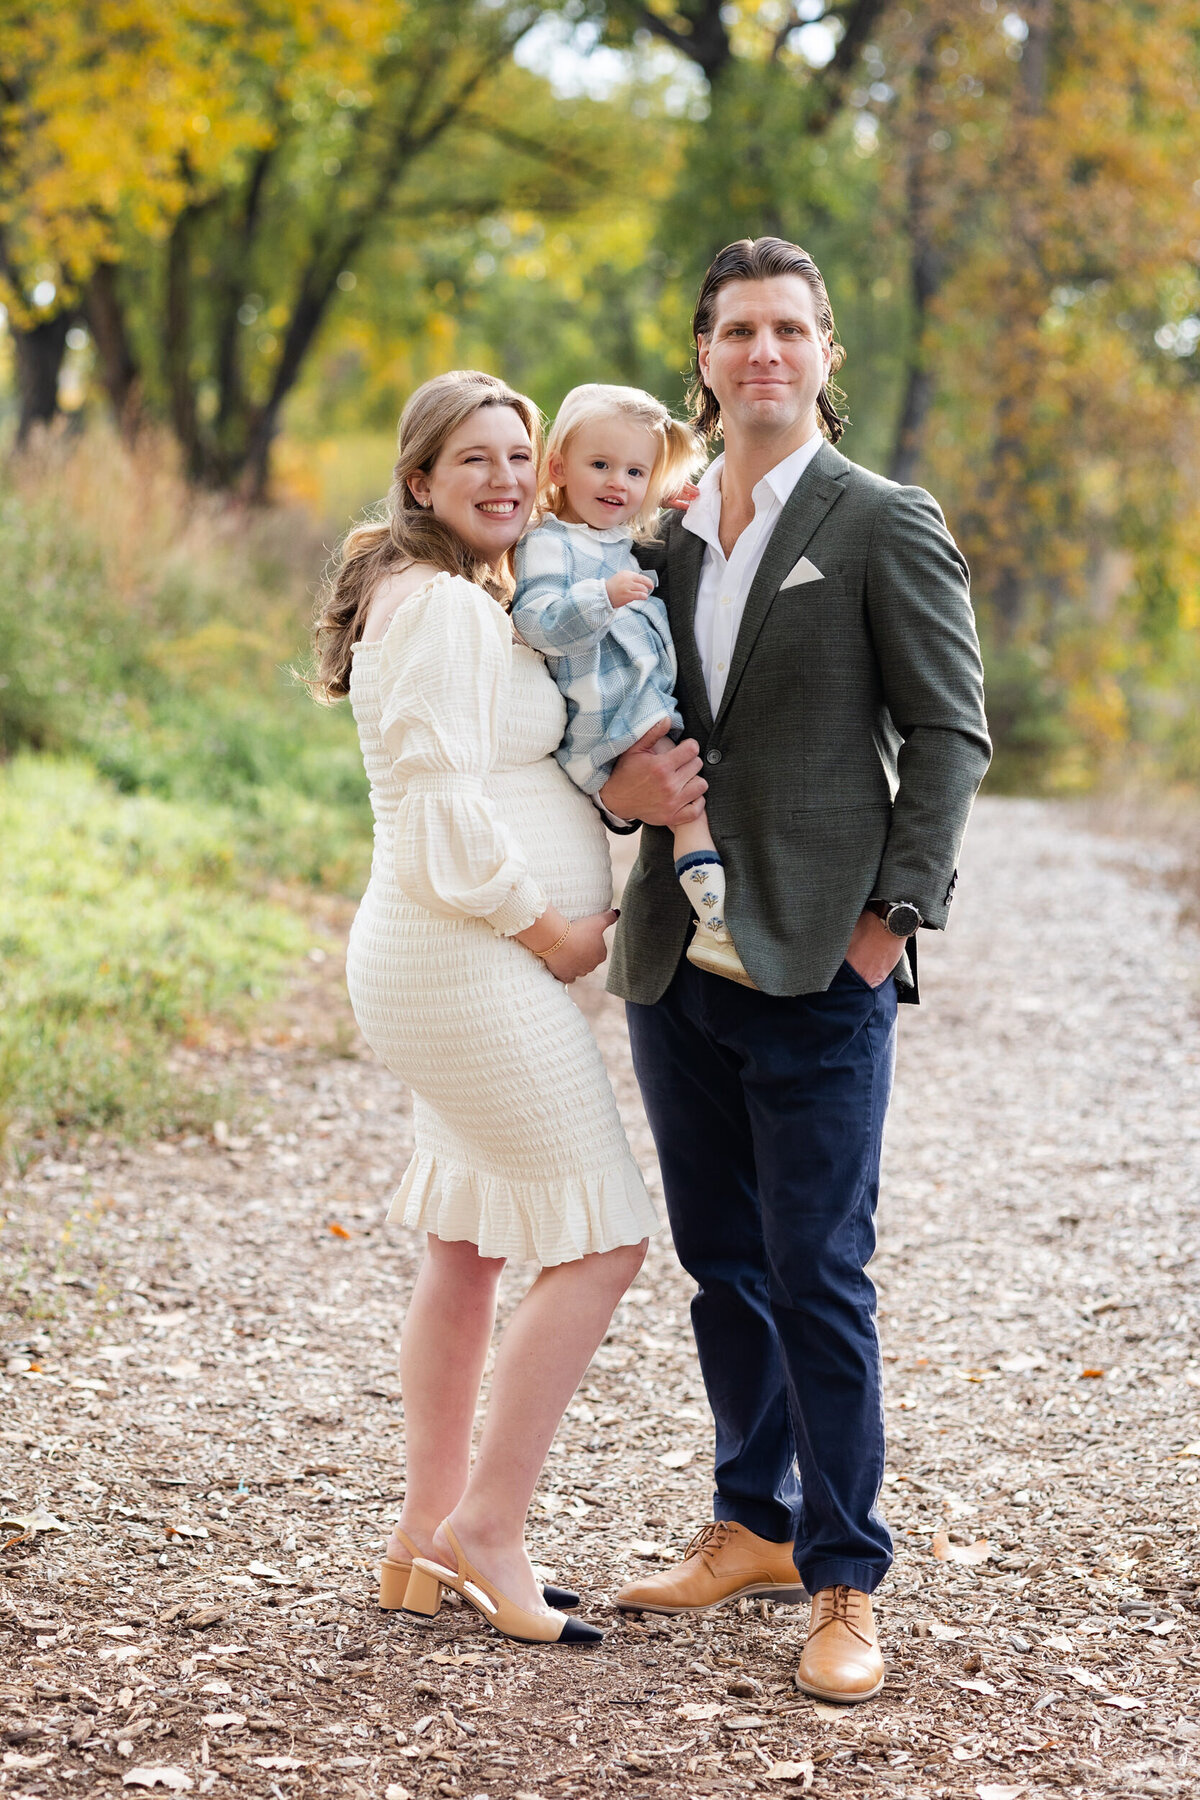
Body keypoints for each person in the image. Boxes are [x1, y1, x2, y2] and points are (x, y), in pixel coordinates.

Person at [600, 238, 992, 1702]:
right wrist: (616, 797)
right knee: (725, 1269)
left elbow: (952, 736)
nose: (763, 351)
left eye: (788, 329)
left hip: (824, 966)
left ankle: (845, 1581)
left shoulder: (883, 520)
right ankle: (751, 1523)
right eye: (736, 330)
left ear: (827, 351)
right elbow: (618, 713)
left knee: (821, 1271)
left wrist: (890, 921)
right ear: (701, 356)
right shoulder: (671, 531)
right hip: (679, 960)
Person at [311, 369, 656, 1647]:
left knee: (469, 1245)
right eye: (478, 461)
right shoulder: (448, 610)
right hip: (465, 955)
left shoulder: (456, 596)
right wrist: (553, 929)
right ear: (421, 483)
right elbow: (443, 808)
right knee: (605, 1237)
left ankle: (421, 1540)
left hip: (439, 957)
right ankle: (486, 1526)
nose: (510, 478)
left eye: (523, 457)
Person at [512, 384, 752, 986]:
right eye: (601, 466)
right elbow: (537, 621)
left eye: (634, 471)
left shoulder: (618, 536)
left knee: (689, 807)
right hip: (608, 717)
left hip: (642, 705)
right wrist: (603, 596)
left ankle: (715, 925)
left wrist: (691, 500)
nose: (617, 482)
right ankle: (719, 927)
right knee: (690, 806)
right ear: (560, 469)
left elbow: (651, 514)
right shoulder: (549, 542)